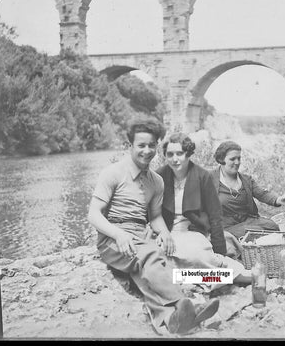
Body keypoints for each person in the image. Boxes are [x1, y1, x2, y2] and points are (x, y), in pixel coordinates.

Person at [87, 120, 219, 335]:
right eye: (141, 145)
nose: (147, 151)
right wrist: (118, 234)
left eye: (151, 145)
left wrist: (165, 233)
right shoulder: (112, 173)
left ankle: (171, 319)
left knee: (157, 262)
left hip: (140, 235)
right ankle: (185, 304)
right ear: (129, 145)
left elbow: (155, 216)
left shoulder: (156, 181)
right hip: (112, 237)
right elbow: (93, 214)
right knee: (150, 256)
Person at [156, 133, 251, 283]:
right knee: (158, 259)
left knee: (197, 257)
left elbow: (215, 216)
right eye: (170, 154)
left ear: (188, 154)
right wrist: (160, 232)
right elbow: (152, 213)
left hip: (192, 232)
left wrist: (220, 251)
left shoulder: (202, 176)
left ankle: (192, 278)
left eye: (179, 154)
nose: (175, 159)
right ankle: (197, 278)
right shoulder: (159, 176)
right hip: (166, 233)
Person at [211, 141, 284, 242]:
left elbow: (262, 194)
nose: (237, 162)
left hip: (247, 220)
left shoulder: (246, 179)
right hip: (226, 226)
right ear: (221, 160)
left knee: (272, 226)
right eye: (232, 159)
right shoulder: (209, 179)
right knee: (255, 233)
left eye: (239, 158)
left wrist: (279, 200)